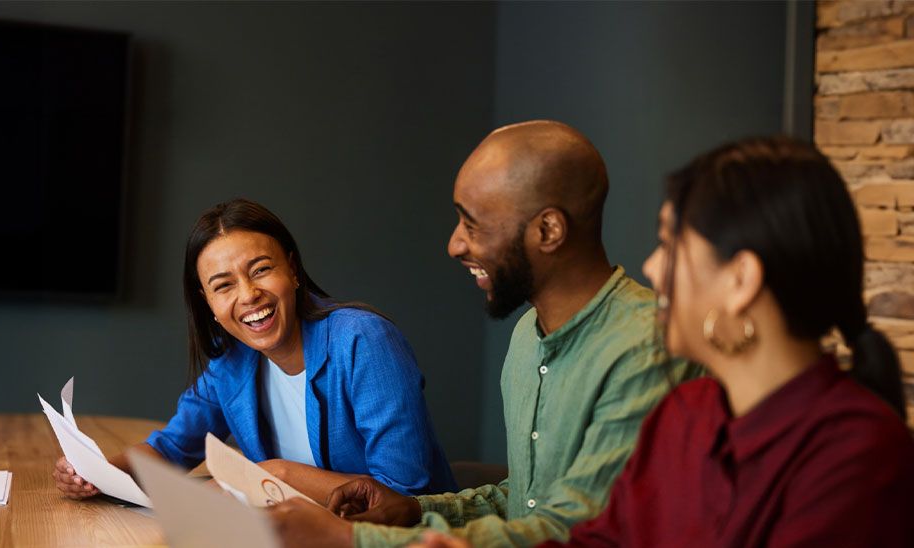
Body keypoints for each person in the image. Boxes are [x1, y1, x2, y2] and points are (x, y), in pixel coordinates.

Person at [412, 136, 914, 547]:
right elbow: (602, 541)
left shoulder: (856, 454)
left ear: (740, 281)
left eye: (672, 246)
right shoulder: (687, 414)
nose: (652, 267)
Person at [268, 121, 697, 547]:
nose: (455, 245)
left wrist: (352, 538)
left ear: (548, 231)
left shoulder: (647, 349)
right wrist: (415, 509)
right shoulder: (528, 334)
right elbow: (531, 500)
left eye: (472, 225)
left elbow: (573, 529)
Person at [52, 198, 457, 503]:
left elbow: (404, 495)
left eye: (262, 269)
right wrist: (97, 473)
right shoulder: (232, 363)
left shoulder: (362, 340)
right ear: (207, 301)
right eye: (223, 285)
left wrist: (275, 474)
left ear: (293, 271)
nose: (248, 295)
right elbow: (172, 448)